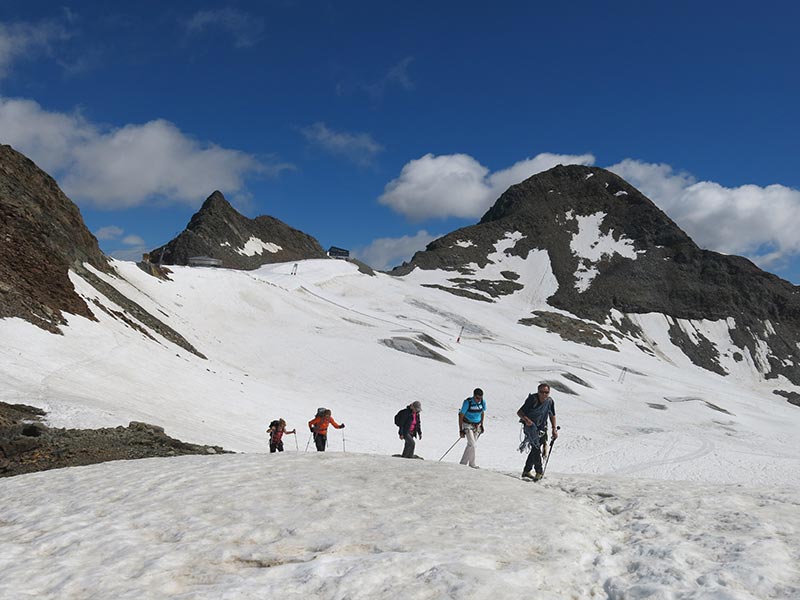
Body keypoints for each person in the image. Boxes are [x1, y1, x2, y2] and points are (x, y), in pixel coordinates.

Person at [517, 383, 558, 481]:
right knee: (536, 448)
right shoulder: (532, 400)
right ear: (538, 392)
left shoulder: (549, 402)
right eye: (542, 392)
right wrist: (526, 420)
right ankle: (539, 471)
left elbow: (552, 415)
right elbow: (520, 412)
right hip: (531, 427)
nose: (544, 394)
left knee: (536, 447)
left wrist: (554, 429)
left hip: (542, 427)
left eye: (546, 392)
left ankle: (527, 470)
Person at [458, 388, 486, 468]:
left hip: (477, 426)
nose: (478, 400)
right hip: (467, 425)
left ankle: (463, 463)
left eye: (480, 398)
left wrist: (482, 424)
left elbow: (482, 412)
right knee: (473, 445)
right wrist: (460, 430)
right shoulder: (467, 402)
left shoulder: (482, 402)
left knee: (470, 445)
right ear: (473, 396)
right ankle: (472, 464)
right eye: (477, 398)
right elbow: (461, 415)